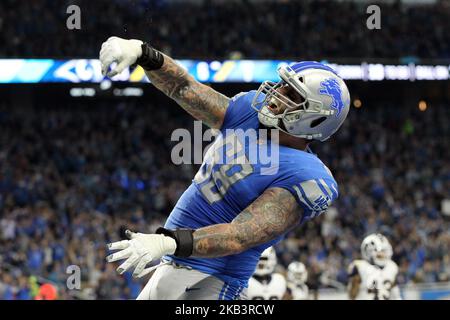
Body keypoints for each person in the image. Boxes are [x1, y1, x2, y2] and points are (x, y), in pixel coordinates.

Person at [100, 36, 350, 300]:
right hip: (175, 263)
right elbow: (184, 88)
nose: (276, 94)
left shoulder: (306, 175)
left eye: (291, 95)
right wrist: (144, 54)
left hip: (214, 281)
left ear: (315, 119)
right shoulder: (248, 114)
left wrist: (168, 241)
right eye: (282, 85)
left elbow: (239, 236)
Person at [348, 233, 402, 300]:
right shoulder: (360, 267)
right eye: (381, 251)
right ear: (368, 251)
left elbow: (396, 296)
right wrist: (356, 281)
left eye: (384, 251)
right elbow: (352, 295)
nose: (383, 254)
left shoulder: (392, 267)